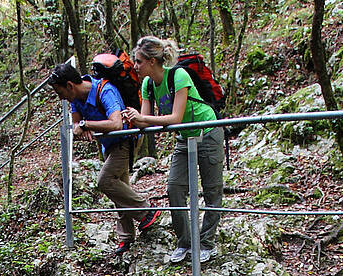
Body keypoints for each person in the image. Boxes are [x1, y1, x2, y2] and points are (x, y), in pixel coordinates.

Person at [122, 36, 222, 264]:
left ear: (152, 61)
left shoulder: (178, 76)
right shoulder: (147, 84)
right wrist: (129, 118)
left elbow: (175, 117)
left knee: (211, 190)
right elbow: (146, 121)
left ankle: (206, 243)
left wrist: (143, 118)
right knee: (174, 187)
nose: (135, 66)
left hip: (207, 131)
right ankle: (185, 242)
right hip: (184, 139)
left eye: (138, 61)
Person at [49, 60, 160, 255]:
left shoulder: (105, 91)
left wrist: (88, 125)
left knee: (106, 181)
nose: (62, 98)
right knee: (119, 189)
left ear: (69, 86)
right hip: (107, 144)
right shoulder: (75, 98)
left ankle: (146, 210)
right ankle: (126, 238)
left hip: (125, 139)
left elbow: (116, 123)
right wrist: (82, 127)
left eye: (61, 93)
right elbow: (76, 125)